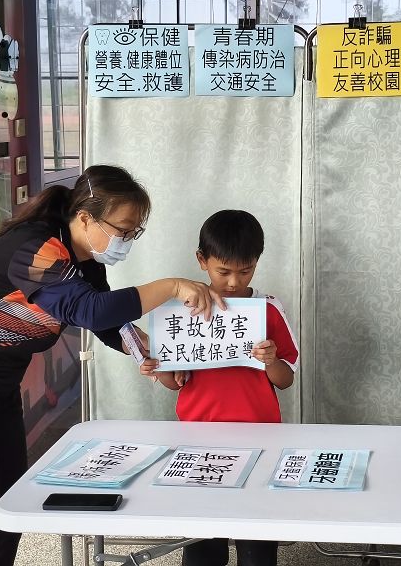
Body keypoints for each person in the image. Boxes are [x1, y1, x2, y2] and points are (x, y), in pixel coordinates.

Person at [0, 165, 223, 566]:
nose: (126, 241)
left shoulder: (86, 261)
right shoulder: (34, 248)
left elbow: (108, 323)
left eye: (134, 233)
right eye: (122, 230)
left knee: (7, 508)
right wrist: (171, 286)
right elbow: (87, 309)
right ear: (85, 218)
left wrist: (154, 353)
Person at [141, 209, 299, 566]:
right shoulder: (181, 311)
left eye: (245, 271)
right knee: (201, 540)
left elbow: (286, 379)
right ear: (202, 260)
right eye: (223, 271)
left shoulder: (267, 309)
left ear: (257, 262)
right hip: (197, 436)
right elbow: (173, 382)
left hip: (260, 435)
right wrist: (159, 367)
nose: (233, 282)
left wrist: (270, 359)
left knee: (256, 538)